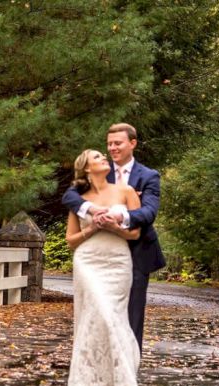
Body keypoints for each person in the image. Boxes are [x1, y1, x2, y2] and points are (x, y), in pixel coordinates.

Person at [63, 123, 165, 353]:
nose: (112, 148)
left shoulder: (148, 176)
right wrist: (90, 209)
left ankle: (128, 374)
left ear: (132, 143)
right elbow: (70, 196)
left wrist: (118, 214)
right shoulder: (100, 171)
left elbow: (148, 213)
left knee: (132, 315)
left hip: (137, 251)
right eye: (109, 144)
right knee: (97, 313)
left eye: (117, 143)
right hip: (99, 256)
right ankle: (97, 370)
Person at [65, 149, 141, 386]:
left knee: (113, 316)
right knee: (94, 315)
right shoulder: (78, 199)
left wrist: (113, 227)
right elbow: (71, 240)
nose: (104, 158)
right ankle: (91, 383)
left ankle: (117, 380)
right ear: (86, 168)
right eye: (97, 157)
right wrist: (94, 227)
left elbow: (135, 234)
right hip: (87, 261)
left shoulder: (125, 191)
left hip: (118, 261)